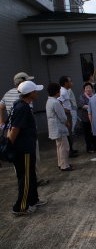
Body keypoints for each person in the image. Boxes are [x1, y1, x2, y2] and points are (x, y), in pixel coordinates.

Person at [1, 72, 48, 186]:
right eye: (28, 81)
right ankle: (32, 181)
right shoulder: (23, 100)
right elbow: (17, 126)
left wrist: (2, 123)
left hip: (13, 131)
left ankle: (24, 181)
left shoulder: (7, 94)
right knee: (32, 159)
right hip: (23, 134)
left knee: (18, 162)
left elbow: (1, 107)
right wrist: (9, 143)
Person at [8, 81, 47, 215]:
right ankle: (21, 207)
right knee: (24, 177)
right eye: (35, 90)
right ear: (30, 93)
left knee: (30, 175)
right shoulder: (21, 108)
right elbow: (14, 128)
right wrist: (8, 145)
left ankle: (33, 199)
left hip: (27, 146)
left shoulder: (21, 104)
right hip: (22, 148)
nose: (37, 92)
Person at [46, 83, 72, 171]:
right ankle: (65, 165)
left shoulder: (49, 101)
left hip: (53, 126)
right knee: (64, 146)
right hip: (59, 126)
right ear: (56, 92)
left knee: (59, 146)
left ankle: (61, 163)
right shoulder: (56, 102)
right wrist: (66, 122)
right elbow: (62, 116)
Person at [58, 76, 78, 158]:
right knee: (68, 132)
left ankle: (71, 149)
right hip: (66, 114)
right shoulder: (63, 91)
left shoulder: (65, 91)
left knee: (69, 132)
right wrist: (65, 110)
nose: (71, 83)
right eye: (70, 81)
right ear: (66, 83)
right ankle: (70, 151)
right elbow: (59, 101)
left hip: (68, 113)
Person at [78, 83, 96, 153]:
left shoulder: (95, 95)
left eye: (89, 87)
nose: (88, 89)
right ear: (84, 89)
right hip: (86, 118)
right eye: (86, 88)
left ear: (92, 88)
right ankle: (89, 148)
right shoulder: (82, 96)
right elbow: (81, 105)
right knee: (87, 134)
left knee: (95, 133)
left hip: (94, 117)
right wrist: (92, 107)